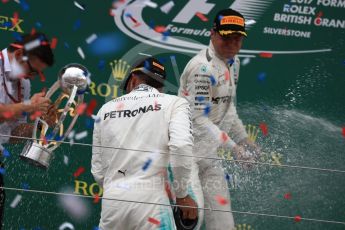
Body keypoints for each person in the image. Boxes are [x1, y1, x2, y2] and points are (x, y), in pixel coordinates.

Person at [92, 57, 197, 229]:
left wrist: (117, 187)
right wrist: (182, 195)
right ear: (161, 85)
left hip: (113, 203)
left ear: (132, 80)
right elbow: (181, 146)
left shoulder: (105, 110)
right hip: (152, 204)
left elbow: (98, 170)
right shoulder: (174, 103)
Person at [178, 9, 260, 229]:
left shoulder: (234, 63)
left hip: (208, 153)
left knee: (223, 223)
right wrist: (234, 148)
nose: (232, 44)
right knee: (193, 219)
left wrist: (244, 140)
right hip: (184, 154)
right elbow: (198, 119)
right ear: (212, 33)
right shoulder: (202, 68)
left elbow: (228, 107)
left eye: (237, 38)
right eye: (226, 37)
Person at [0, 32, 55, 229]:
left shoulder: (24, 84)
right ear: (19, 54)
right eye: (32, 70)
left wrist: (43, 124)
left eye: (36, 74)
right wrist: (28, 106)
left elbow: (12, 134)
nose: (31, 77)